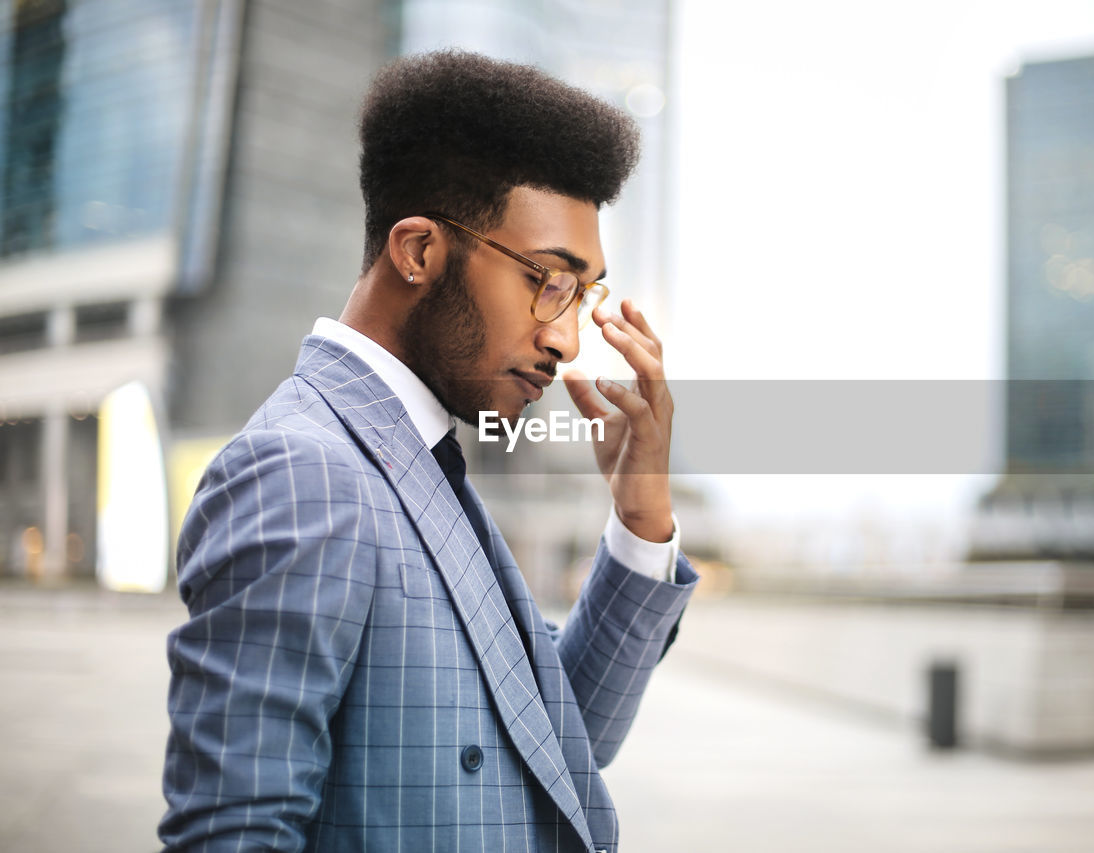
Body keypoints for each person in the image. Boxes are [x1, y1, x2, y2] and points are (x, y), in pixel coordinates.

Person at [159, 50, 697, 853]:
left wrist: (641, 516)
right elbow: (233, 836)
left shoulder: (420, 462)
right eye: (547, 280)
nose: (566, 336)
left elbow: (557, 741)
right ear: (418, 250)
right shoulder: (305, 474)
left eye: (581, 294)